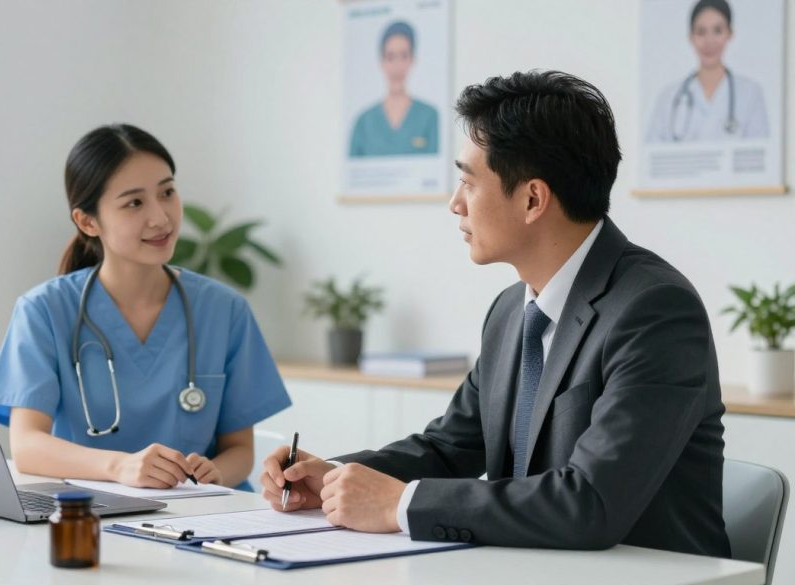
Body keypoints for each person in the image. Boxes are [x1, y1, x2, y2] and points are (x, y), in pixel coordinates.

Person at [263, 70, 732, 558]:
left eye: (467, 181)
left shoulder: (654, 311)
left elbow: (590, 504)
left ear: (532, 198)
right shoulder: (512, 310)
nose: (454, 203)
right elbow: (450, 448)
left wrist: (399, 504)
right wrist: (333, 476)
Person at [0, 124, 291, 490]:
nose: (161, 217)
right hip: (88, 511)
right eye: (134, 202)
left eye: (167, 192)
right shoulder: (44, 311)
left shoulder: (224, 311)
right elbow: (27, 446)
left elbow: (239, 449)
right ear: (88, 221)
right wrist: (121, 467)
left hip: (202, 516)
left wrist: (216, 473)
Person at [646, 0, 768, 142]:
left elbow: (759, 156)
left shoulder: (751, 93)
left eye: (717, 31)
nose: (709, 41)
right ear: (691, 37)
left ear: (730, 34)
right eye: (701, 32)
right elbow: (652, 157)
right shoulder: (669, 98)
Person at [348, 20, 439, 157]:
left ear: (412, 60)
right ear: (382, 61)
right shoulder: (363, 123)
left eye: (403, 56)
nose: (397, 65)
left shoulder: (429, 117)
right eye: (391, 57)